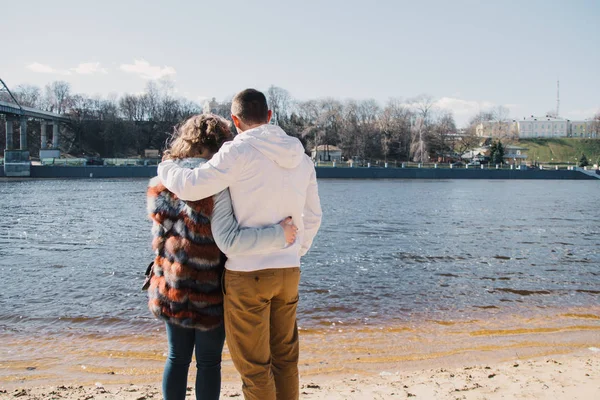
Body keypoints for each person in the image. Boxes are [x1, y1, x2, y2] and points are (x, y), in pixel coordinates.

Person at [157, 88, 322, 400]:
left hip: (248, 274)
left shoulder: (238, 151)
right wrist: (294, 249)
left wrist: (166, 166)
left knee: (256, 367)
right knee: (286, 359)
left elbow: (191, 186)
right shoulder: (301, 157)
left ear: (235, 120)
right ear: (270, 116)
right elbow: (313, 216)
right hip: (288, 271)